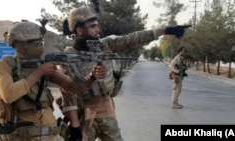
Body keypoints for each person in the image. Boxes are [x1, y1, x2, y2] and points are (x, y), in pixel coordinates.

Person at [59, 6, 190, 141]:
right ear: (80, 30)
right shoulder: (69, 56)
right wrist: (75, 127)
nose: (98, 29)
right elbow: (67, 93)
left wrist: (165, 30)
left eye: (97, 25)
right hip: (84, 116)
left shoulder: (104, 45)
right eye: (93, 26)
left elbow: (132, 39)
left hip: (107, 111)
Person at [0, 20, 106, 141]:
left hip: (51, 135)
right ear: (19, 44)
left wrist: (92, 77)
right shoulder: (4, 66)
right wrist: (40, 72)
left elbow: (72, 87)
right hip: (21, 136)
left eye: (40, 41)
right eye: (34, 42)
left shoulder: (42, 65)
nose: (39, 45)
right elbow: (8, 94)